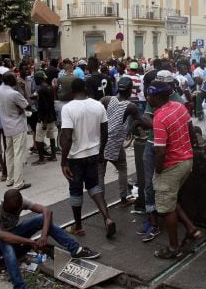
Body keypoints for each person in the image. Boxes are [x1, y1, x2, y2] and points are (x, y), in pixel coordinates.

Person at [0, 189, 99, 289]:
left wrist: (44, 236)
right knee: (6, 244)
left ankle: (75, 249)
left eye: (18, 210)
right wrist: (31, 242)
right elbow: (1, 235)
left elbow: (47, 211)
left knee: (42, 218)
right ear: (5, 205)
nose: (17, 212)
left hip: (14, 238)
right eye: (14, 211)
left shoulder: (20, 202)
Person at [147, 79, 201, 259]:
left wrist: (158, 170)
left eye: (150, 95)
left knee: (167, 208)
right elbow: (190, 128)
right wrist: (193, 147)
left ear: (158, 96)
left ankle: (174, 248)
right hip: (187, 161)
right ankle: (192, 229)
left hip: (171, 166)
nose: (147, 98)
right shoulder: (179, 107)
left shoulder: (159, 117)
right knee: (172, 197)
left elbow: (160, 151)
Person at [60, 78, 115, 237]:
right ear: (85, 88)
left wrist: (63, 162)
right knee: (94, 187)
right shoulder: (98, 105)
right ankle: (108, 218)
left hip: (75, 158)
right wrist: (101, 152)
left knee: (75, 191)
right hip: (93, 154)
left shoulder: (68, 108)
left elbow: (67, 137)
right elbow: (105, 132)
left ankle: (78, 226)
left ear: (72, 90)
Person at [100, 77, 142, 206]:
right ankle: (123, 199)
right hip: (115, 144)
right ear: (130, 90)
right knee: (122, 169)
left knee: (100, 173)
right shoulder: (131, 106)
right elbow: (139, 122)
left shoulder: (106, 99)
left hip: (101, 141)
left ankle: (100, 202)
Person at [0, 72, 31, 191]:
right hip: (17, 126)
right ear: (11, 81)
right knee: (18, 154)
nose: (17, 79)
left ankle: (10, 179)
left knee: (9, 153)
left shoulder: (0, 90)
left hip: (7, 126)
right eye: (15, 78)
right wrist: (23, 89)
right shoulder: (14, 93)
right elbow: (27, 106)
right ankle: (18, 182)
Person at [32, 71, 58, 166]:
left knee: (39, 138)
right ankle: (53, 156)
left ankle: (41, 158)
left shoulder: (41, 90)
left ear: (39, 79)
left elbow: (45, 107)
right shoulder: (50, 88)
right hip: (52, 116)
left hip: (44, 118)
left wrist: (44, 122)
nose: (35, 81)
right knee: (51, 136)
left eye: (35, 79)